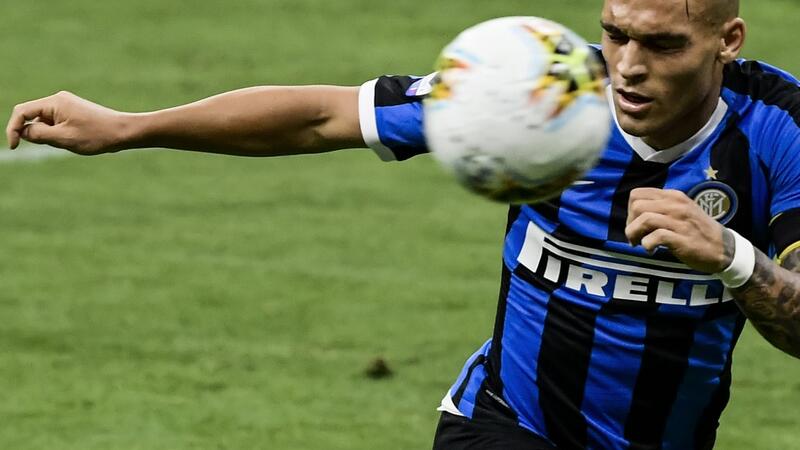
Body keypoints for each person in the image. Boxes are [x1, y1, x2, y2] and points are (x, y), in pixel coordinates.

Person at [6, 0, 800, 448]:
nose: (628, 65)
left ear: (727, 42)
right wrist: (129, 126)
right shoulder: (540, 92)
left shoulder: (779, 131)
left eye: (662, 44)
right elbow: (323, 116)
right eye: (615, 33)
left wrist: (734, 259)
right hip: (505, 426)